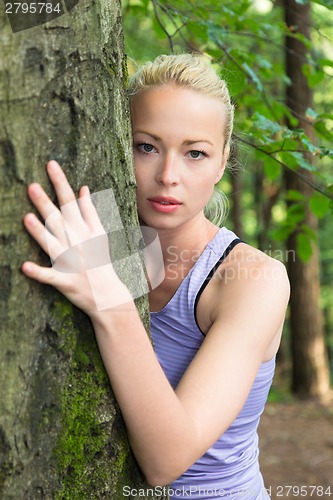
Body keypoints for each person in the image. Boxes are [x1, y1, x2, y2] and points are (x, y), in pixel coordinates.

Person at [22, 54, 290, 499]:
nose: (168, 176)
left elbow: (167, 460)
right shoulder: (108, 240)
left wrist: (109, 298)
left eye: (195, 153)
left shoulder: (253, 279)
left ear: (222, 162)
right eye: (146, 146)